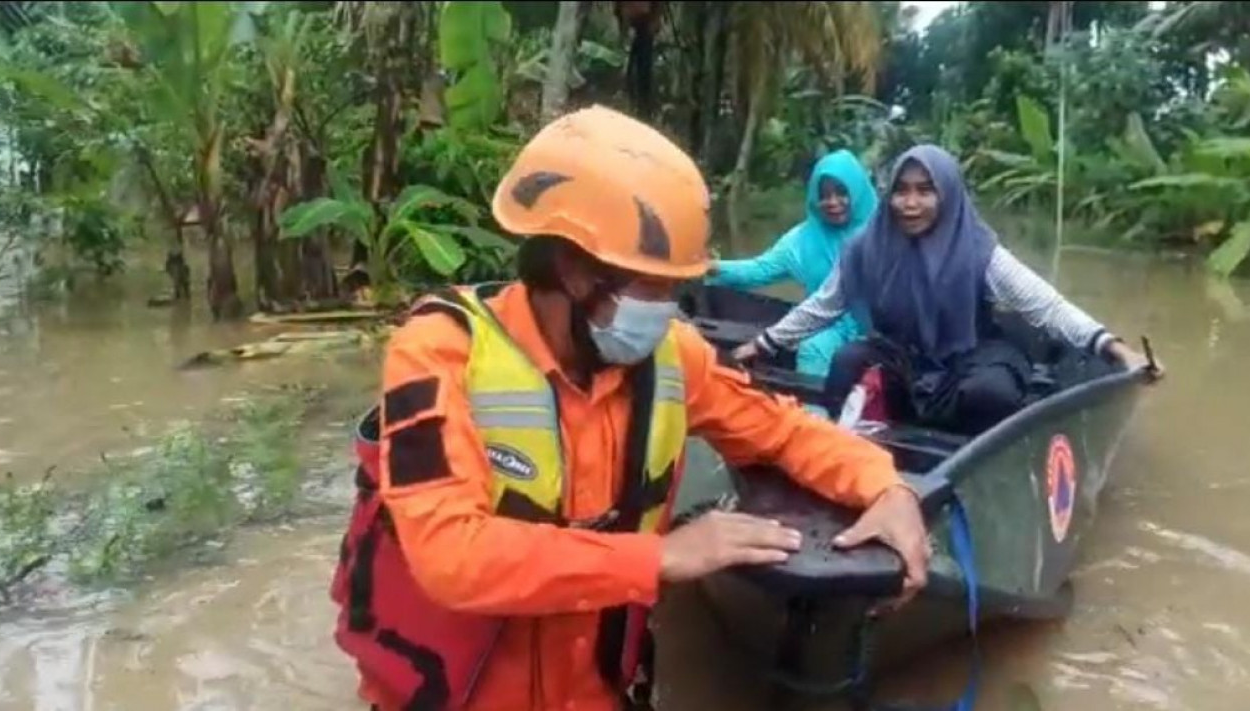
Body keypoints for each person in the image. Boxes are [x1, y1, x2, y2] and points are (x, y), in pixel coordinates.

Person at [329, 105, 930, 711]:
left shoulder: (674, 357)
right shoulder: (439, 349)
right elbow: (449, 555)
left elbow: (783, 430)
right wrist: (663, 556)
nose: (670, 307)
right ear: (574, 269)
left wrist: (886, 488)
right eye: (655, 286)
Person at [733, 144, 1161, 436]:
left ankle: (976, 467)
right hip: (903, 356)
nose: (910, 203)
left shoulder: (977, 249)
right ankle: (859, 444)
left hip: (970, 353)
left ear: (949, 195)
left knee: (989, 394)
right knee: (846, 363)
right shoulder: (867, 247)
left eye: (925, 191)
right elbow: (822, 308)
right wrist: (765, 343)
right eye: (901, 191)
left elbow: (1045, 307)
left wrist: (1114, 349)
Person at [705, 150, 877, 378]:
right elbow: (759, 270)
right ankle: (814, 410)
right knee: (813, 347)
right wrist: (709, 266)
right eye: (824, 195)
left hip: (881, 328)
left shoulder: (886, 231)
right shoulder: (801, 240)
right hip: (827, 324)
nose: (833, 202)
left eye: (842, 193)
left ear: (858, 191)